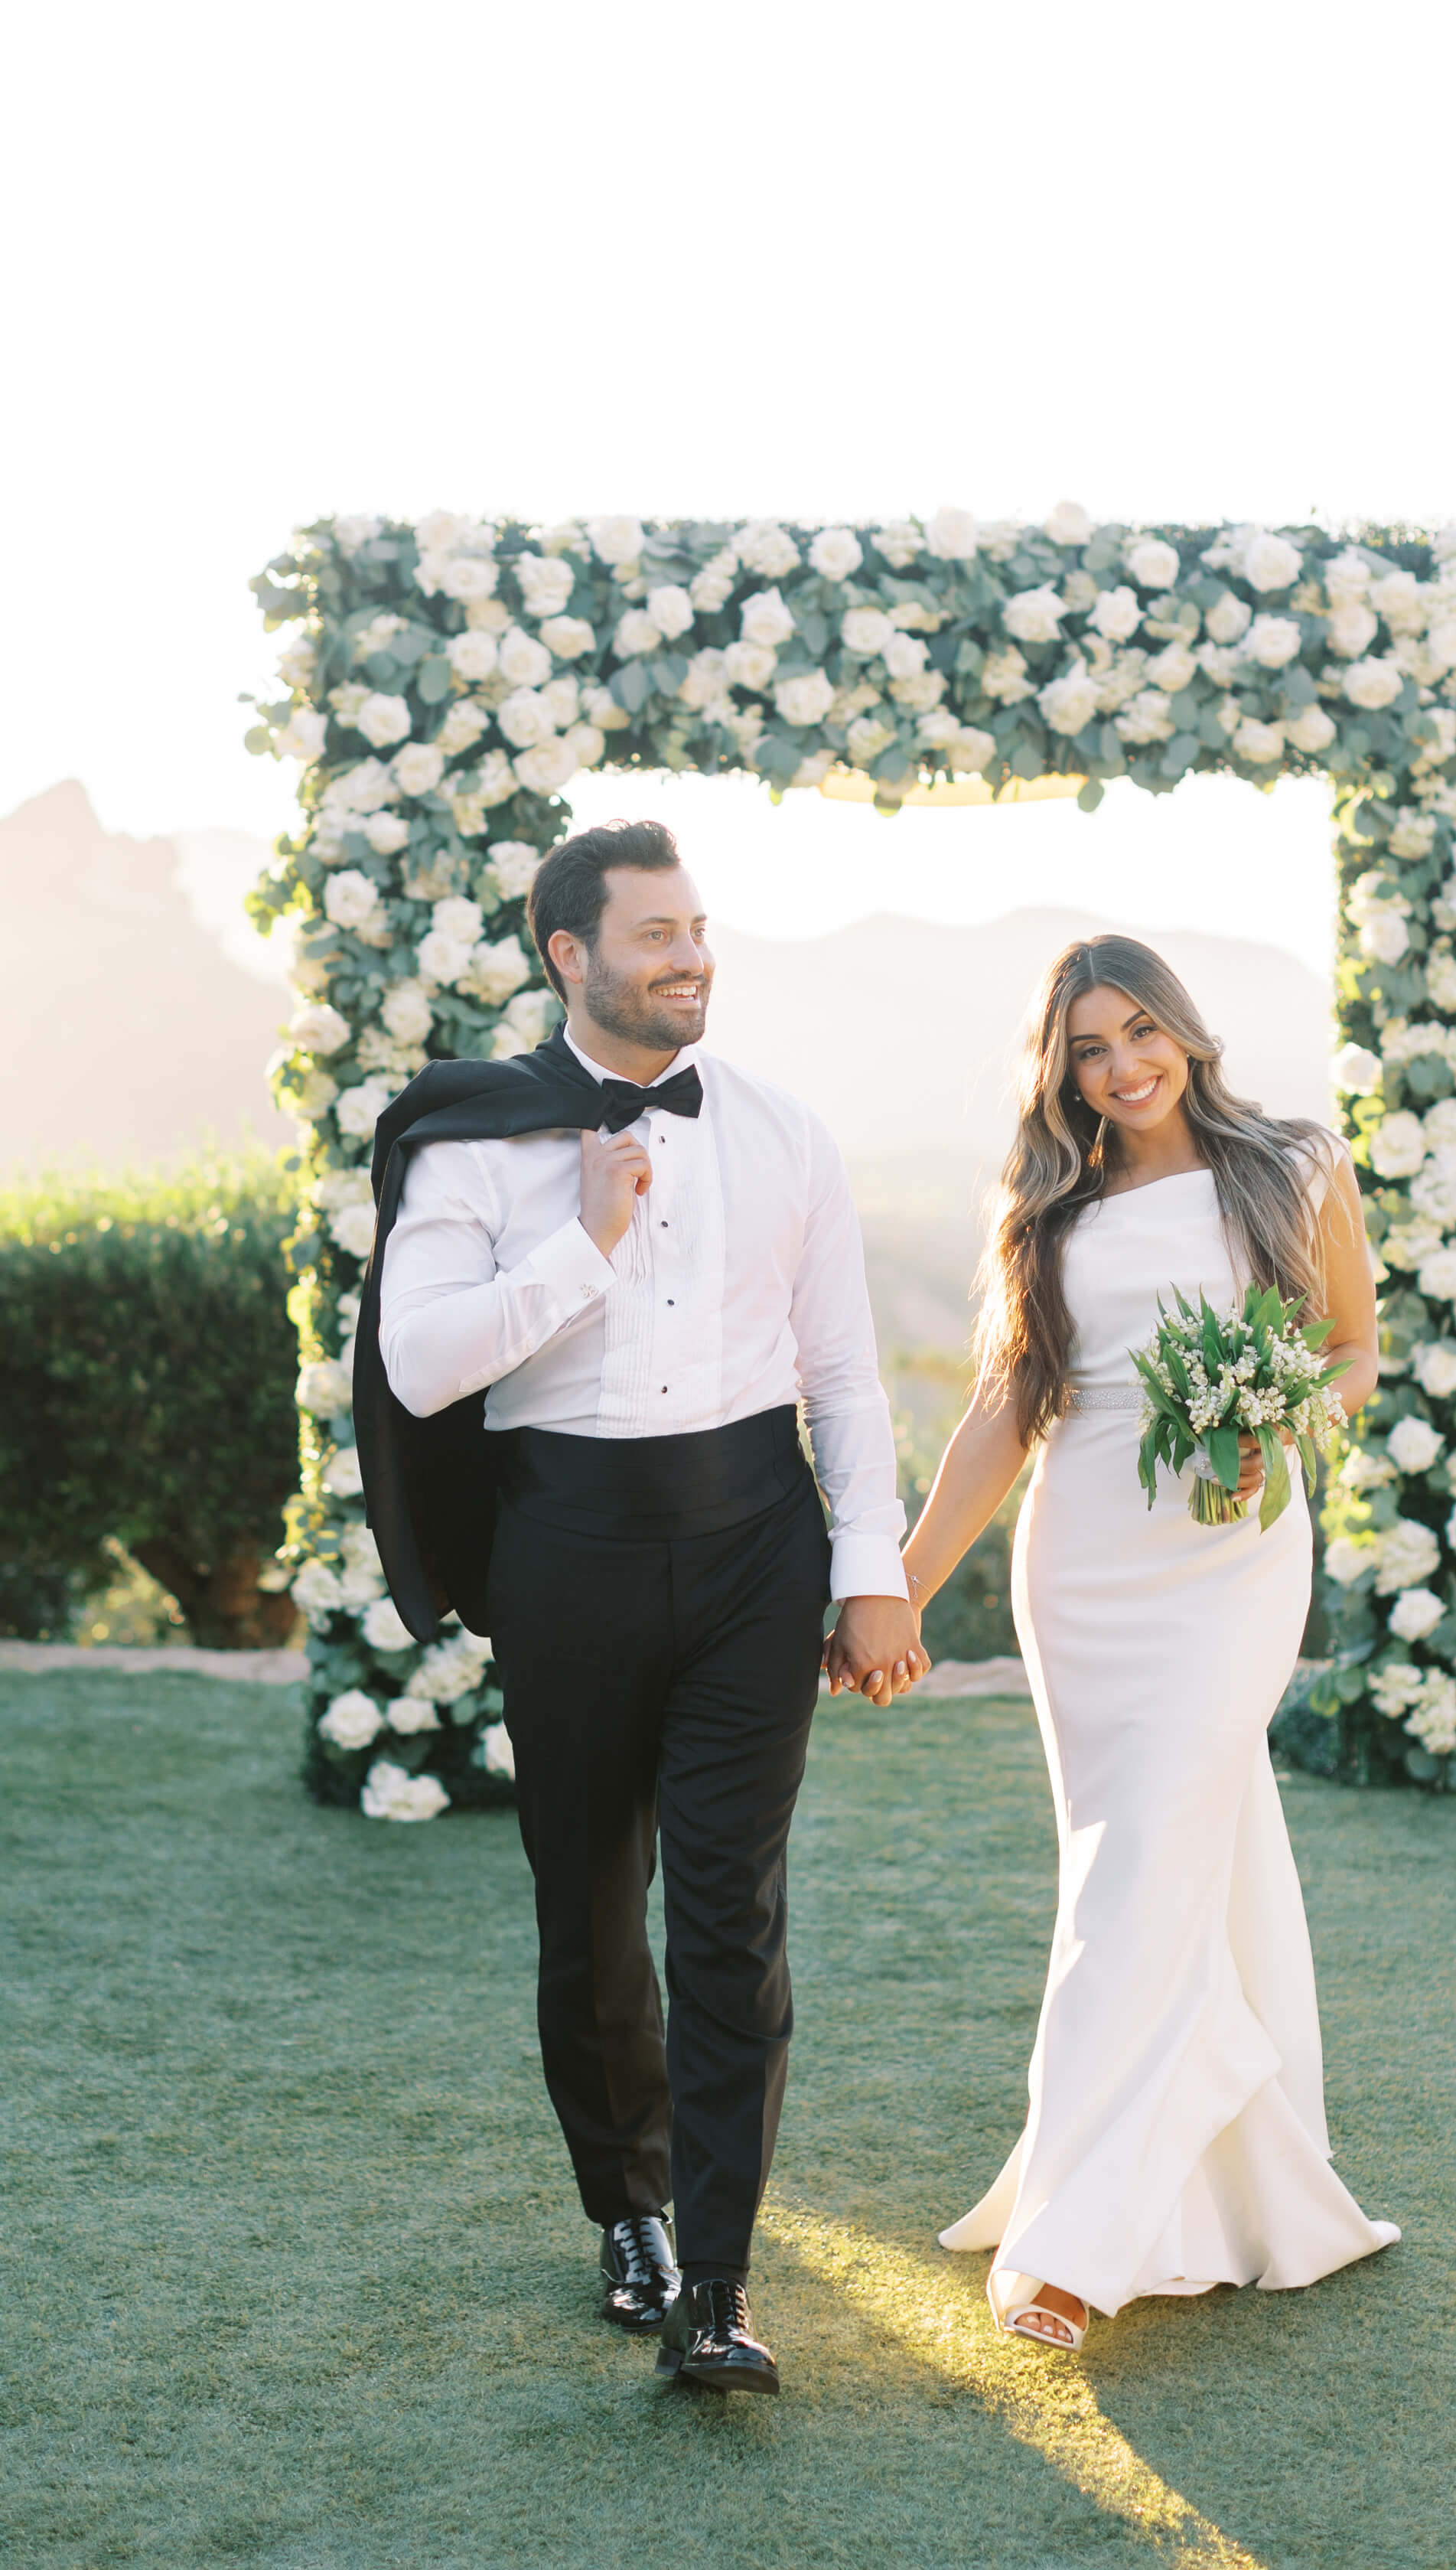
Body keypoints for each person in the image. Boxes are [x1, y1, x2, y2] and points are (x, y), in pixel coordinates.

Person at [362, 818, 926, 2396]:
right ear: (570, 956)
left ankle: (723, 2284)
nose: (692, 957)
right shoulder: (477, 1142)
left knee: (731, 1909)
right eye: (657, 934)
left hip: (754, 1541)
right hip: (570, 1548)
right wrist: (579, 1242)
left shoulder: (783, 1129)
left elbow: (840, 1372)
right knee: (591, 1902)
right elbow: (421, 1365)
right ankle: (629, 2207)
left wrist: (867, 1567)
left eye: (699, 928)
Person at [894, 934, 1399, 2350]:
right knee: (1147, 1862)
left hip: (1231, 1555)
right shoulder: (1045, 1208)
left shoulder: (1294, 1165)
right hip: (1086, 1569)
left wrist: (1280, 1418)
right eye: (1088, 1052)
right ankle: (1222, 2192)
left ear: (1185, 1027)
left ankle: (1074, 2244)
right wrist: (905, 1585)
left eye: (1138, 1034)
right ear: (1059, 1075)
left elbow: (1352, 1347)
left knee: (1144, 1869)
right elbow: (1004, 1416)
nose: (1123, 1069)